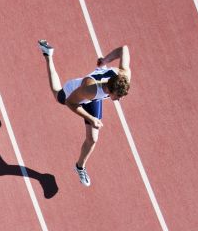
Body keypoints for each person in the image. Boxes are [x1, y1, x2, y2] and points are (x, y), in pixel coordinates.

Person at [38, 40, 131, 187]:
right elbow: (71, 103)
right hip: (76, 92)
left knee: (93, 139)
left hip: (94, 97)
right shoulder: (89, 90)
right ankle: (48, 55)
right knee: (57, 94)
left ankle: (79, 167)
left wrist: (105, 60)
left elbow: (124, 49)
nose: (119, 100)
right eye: (118, 96)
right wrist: (91, 119)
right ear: (109, 90)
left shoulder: (124, 75)